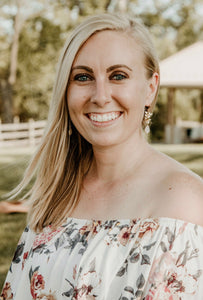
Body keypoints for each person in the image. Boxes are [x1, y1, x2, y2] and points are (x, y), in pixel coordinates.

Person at [1, 12, 203, 300]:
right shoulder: (57, 192)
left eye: (118, 75)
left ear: (150, 88)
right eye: (82, 77)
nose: (100, 95)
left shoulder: (183, 201)